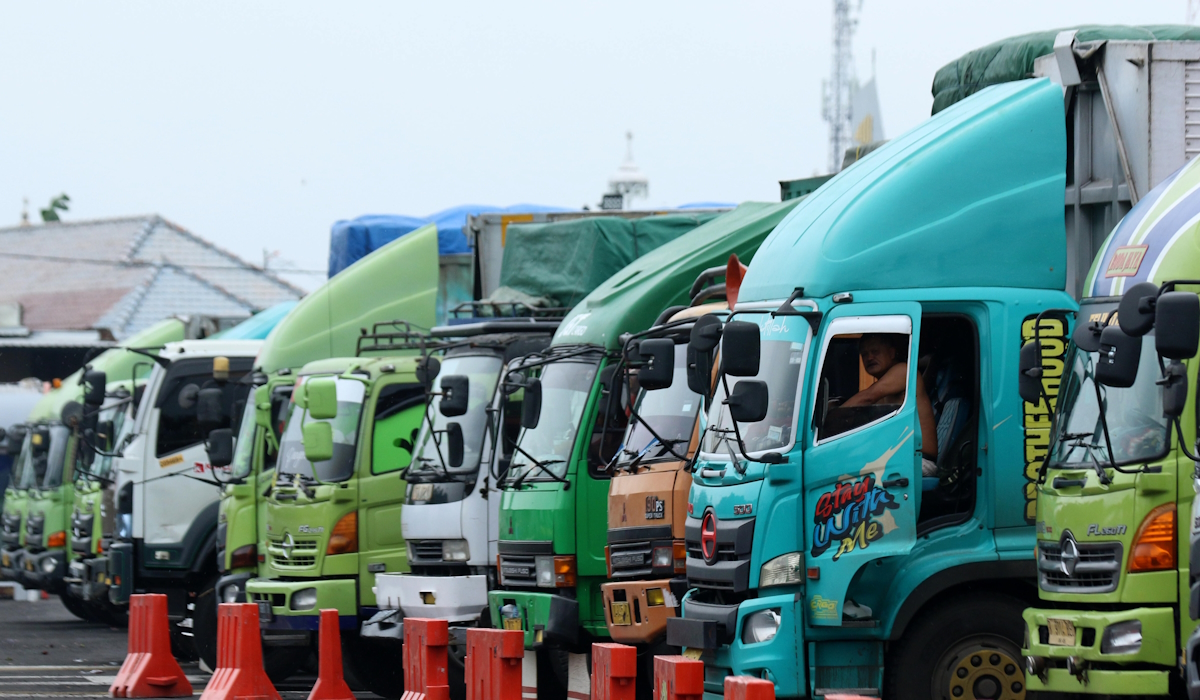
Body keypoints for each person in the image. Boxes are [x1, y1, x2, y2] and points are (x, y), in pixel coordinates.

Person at [842, 333, 939, 476]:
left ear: (892, 353)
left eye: (875, 352)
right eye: (864, 354)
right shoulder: (882, 386)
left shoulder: (903, 371)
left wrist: (833, 417)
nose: (869, 358)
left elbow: (867, 398)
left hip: (919, 460)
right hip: (900, 457)